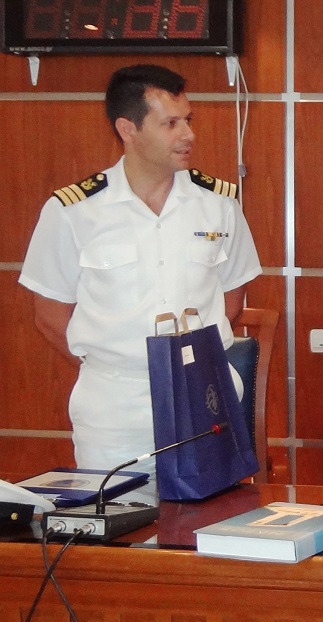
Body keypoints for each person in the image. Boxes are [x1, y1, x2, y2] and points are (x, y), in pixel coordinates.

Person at [19, 64, 262, 481]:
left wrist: (183, 369)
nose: (188, 134)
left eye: (188, 120)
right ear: (128, 129)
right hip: (114, 409)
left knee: (211, 515)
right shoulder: (74, 211)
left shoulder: (219, 203)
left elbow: (232, 299)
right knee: (117, 517)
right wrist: (116, 368)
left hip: (203, 399)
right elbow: (49, 316)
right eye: (171, 123)